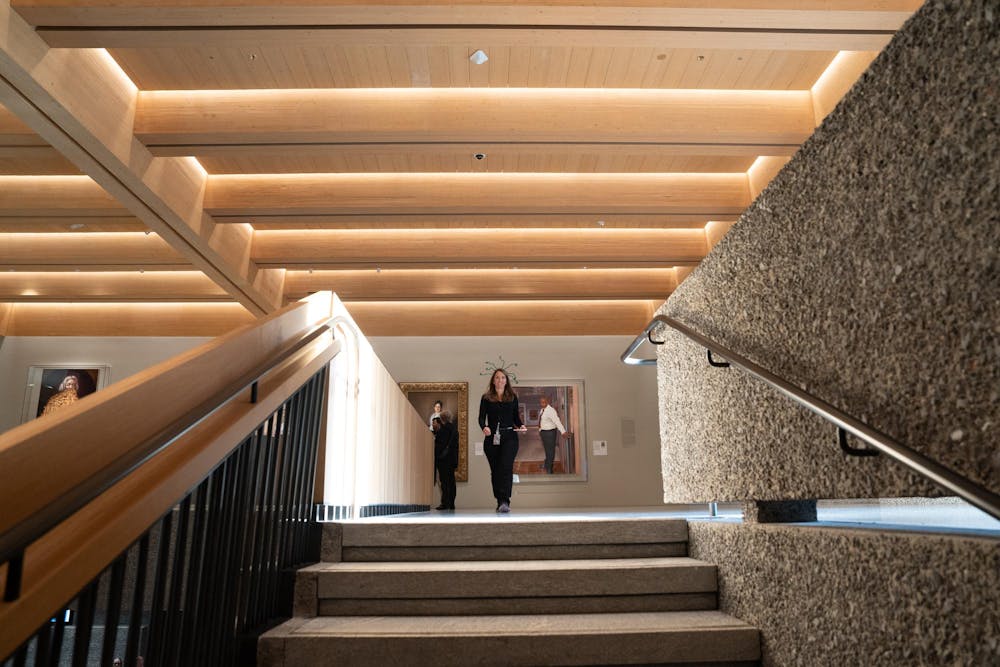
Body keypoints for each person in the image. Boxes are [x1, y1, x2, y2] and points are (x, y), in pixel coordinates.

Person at [478, 368, 526, 513]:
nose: (500, 380)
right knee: (496, 470)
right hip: (492, 438)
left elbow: (516, 418)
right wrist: (484, 427)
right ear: (493, 380)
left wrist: (521, 425)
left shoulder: (512, 397)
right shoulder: (486, 397)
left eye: (503, 378)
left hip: (510, 437)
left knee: (506, 467)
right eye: (497, 378)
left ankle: (505, 500)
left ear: (506, 380)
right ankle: (500, 500)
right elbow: (481, 418)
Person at [432, 411, 459, 510]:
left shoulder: (443, 430)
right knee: (452, 481)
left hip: (443, 460)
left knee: (444, 482)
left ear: (442, 419)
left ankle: (445, 503)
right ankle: (451, 503)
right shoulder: (454, 429)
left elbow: (439, 446)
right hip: (452, 460)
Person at [538, 396, 572, 474]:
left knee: (550, 451)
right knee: (547, 450)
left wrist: (563, 432)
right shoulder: (542, 410)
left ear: (547, 401)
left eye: (544, 402)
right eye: (541, 402)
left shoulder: (551, 411)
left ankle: (549, 469)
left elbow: (557, 421)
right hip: (544, 433)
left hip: (549, 433)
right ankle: (546, 464)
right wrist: (540, 430)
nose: (542, 404)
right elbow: (542, 421)